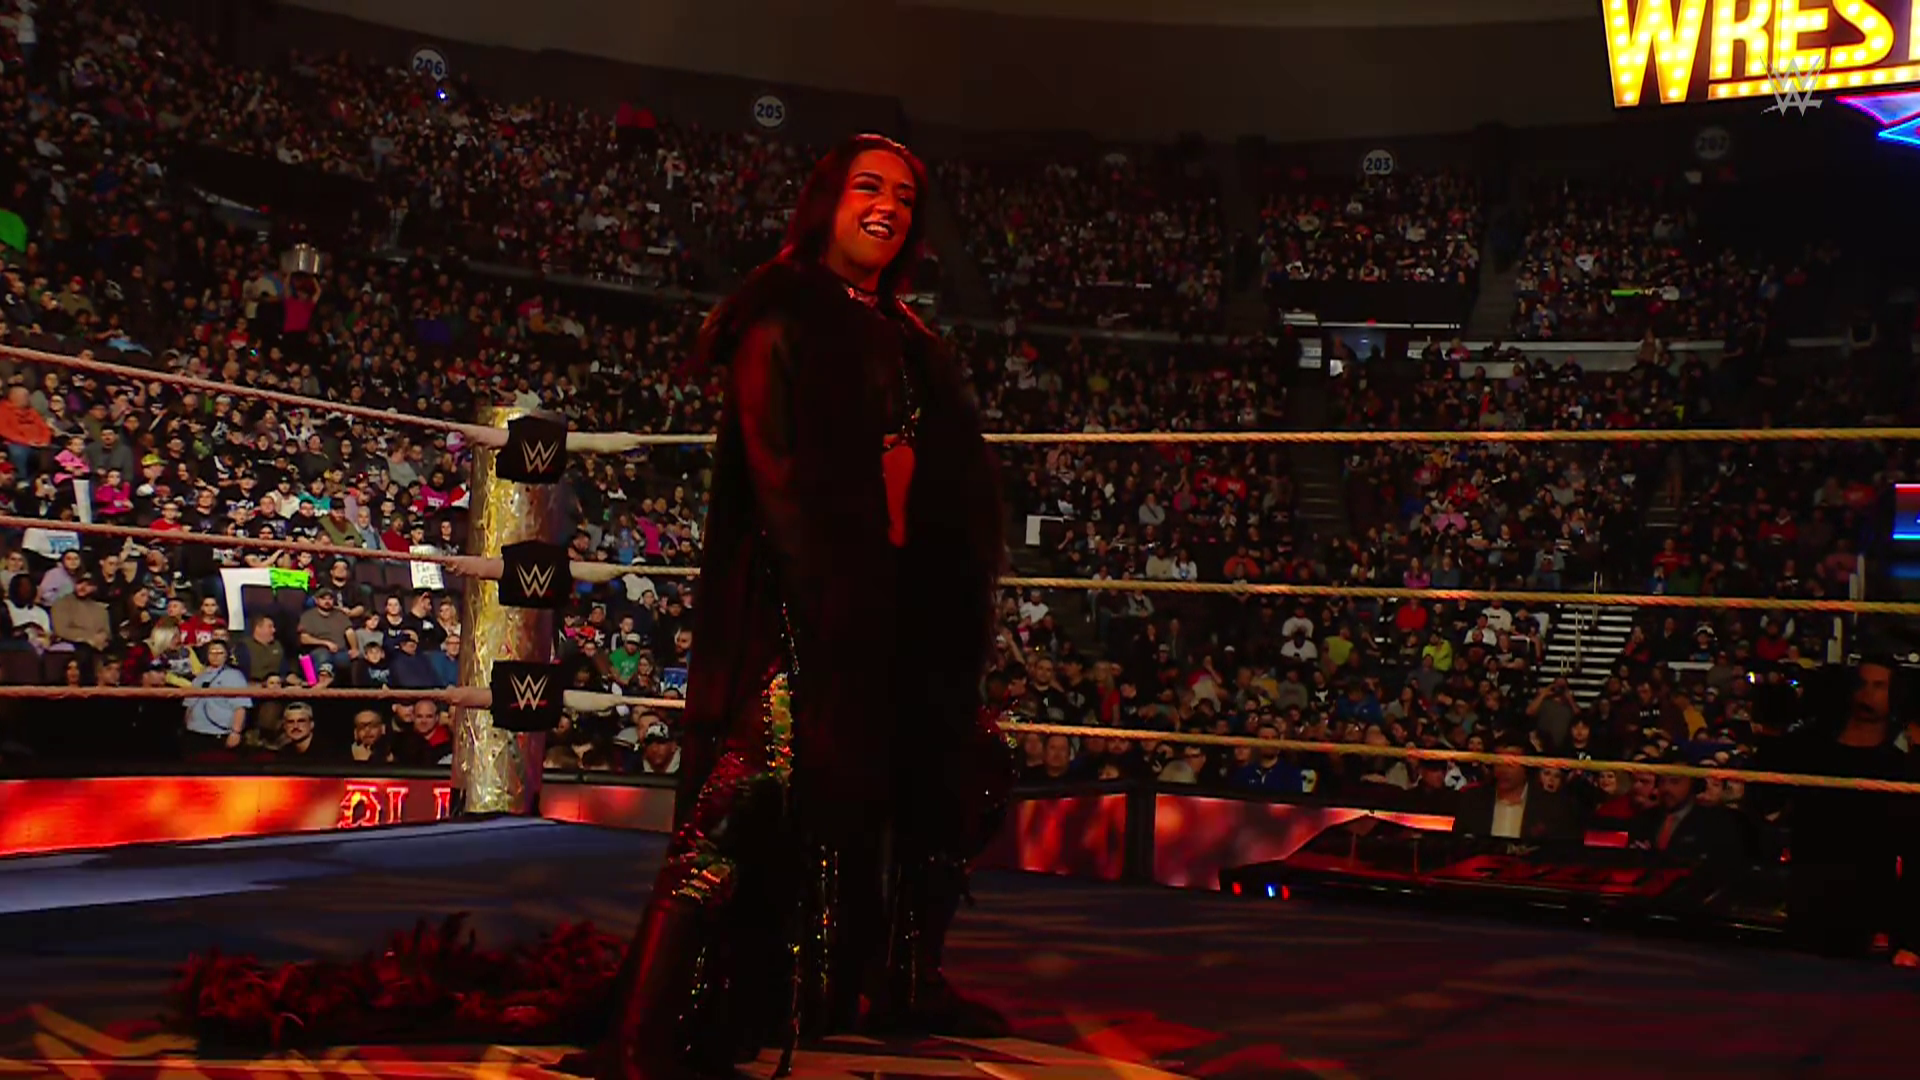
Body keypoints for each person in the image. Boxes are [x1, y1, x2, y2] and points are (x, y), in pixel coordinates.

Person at [569, 134, 1012, 1080]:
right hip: (803, 600)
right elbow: (778, 477)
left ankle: (902, 975)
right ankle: (646, 1029)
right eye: (868, 188)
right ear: (827, 202)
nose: (887, 207)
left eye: (904, 195)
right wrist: (828, 605)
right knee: (747, 796)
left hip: (904, 609)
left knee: (965, 765)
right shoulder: (781, 312)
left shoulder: (911, 339)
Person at [1756, 656, 1920, 960]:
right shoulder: (1809, 748)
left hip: (1868, 910)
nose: (1867, 694)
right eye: (1862, 684)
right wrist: (1771, 733)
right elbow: (1765, 800)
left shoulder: (1901, 768)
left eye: (1879, 686)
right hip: (1806, 900)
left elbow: (1913, 854)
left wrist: (1911, 941)